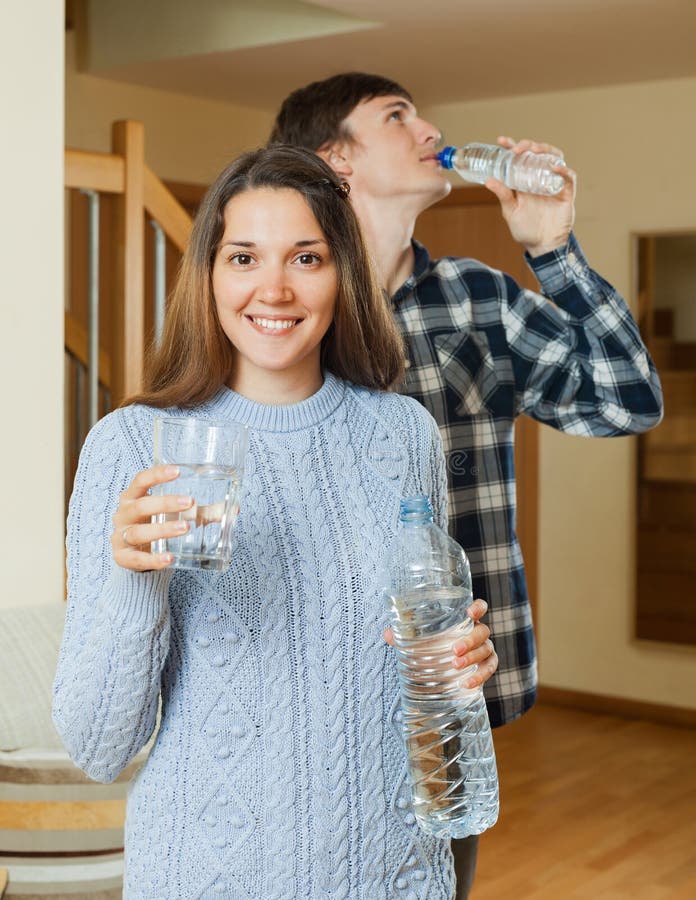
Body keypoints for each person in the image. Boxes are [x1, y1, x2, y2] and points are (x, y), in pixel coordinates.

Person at [53, 145, 498, 899]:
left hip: (390, 874)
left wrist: (456, 665)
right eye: (243, 257)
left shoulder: (403, 435)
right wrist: (134, 583)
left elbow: (409, 664)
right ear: (209, 274)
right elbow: (99, 748)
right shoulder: (133, 445)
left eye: (306, 258)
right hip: (208, 876)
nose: (274, 288)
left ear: (342, 275)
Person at [269, 72, 664, 896]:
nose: (429, 127)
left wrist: (553, 249)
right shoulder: (284, 304)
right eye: (396, 115)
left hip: (448, 678)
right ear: (335, 160)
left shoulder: (478, 300)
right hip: (306, 672)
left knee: (436, 880)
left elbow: (630, 400)